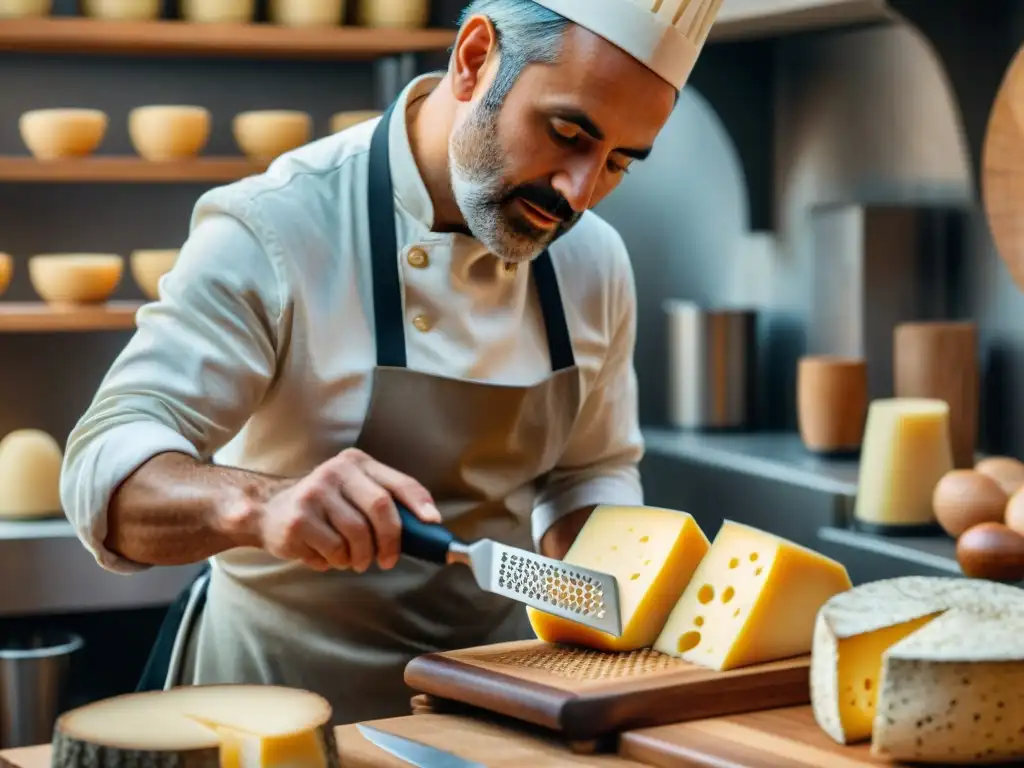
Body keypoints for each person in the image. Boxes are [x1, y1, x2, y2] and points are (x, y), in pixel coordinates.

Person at [59, 0, 723, 724]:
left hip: (496, 710)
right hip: (274, 712)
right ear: (473, 59)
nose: (578, 193)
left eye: (619, 162)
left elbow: (590, 469)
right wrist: (261, 503)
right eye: (566, 132)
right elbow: (104, 471)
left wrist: (612, 583)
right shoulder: (278, 225)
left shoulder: (595, 260)